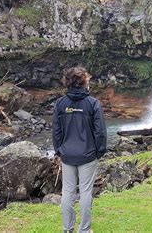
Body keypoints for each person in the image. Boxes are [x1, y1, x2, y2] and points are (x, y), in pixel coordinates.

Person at [53, 66, 107, 233]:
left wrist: (59, 150)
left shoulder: (61, 104)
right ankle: (84, 230)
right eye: (87, 78)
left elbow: (56, 131)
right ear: (83, 81)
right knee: (85, 192)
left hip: (67, 155)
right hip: (88, 155)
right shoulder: (93, 104)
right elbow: (100, 131)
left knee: (67, 191)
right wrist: (100, 151)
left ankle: (67, 229)